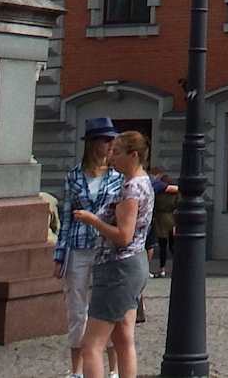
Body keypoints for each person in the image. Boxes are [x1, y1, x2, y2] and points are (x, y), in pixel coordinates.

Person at [72, 129, 153, 378]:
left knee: (91, 345)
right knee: (122, 338)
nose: (111, 157)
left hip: (117, 267)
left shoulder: (131, 188)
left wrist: (93, 220)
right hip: (133, 265)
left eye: (117, 152)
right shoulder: (143, 181)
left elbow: (123, 236)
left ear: (134, 155)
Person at [57, 117, 124, 375]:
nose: (110, 145)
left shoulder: (118, 177)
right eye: (105, 140)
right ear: (93, 143)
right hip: (78, 247)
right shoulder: (74, 176)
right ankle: (76, 370)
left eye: (111, 140)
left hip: (106, 249)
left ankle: (113, 370)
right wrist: (59, 255)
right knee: (77, 309)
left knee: (106, 308)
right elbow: (65, 217)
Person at [149, 169, 177, 276]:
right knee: (173, 246)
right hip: (172, 219)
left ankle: (162, 269)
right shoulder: (174, 194)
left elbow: (153, 204)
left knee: (162, 247)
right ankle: (178, 266)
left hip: (160, 220)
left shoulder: (158, 192)